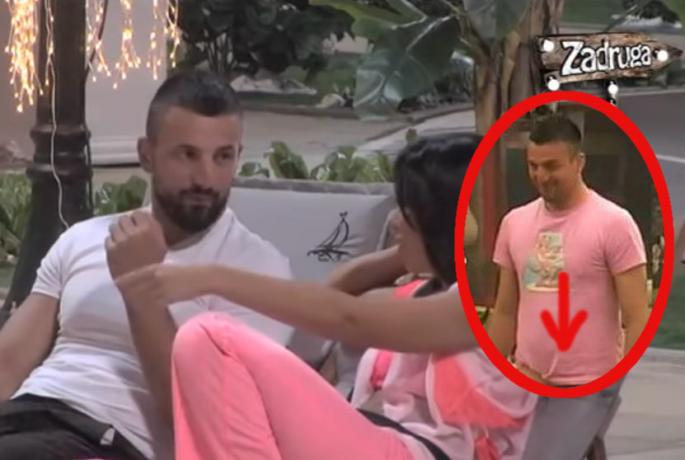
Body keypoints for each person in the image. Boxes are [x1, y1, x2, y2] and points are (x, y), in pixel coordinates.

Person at [114, 135, 538, 460]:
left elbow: (349, 319)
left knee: (211, 337)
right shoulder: (422, 297)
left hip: (419, 454)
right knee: (199, 348)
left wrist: (211, 278)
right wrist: (416, 250)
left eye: (408, 213)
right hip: (372, 437)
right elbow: (333, 296)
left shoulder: (487, 306)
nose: (394, 222)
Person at [0, 70, 295, 459]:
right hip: (26, 417)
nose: (205, 178)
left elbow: (205, 420)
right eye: (187, 154)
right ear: (146, 155)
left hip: (114, 442)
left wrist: (140, 287)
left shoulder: (257, 272)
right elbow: (9, 363)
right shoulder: (84, 238)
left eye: (223, 157)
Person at [487, 112, 649, 387]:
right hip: (526, 379)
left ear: (579, 163)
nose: (541, 176)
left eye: (552, 166)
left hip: (591, 384)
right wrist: (487, 376)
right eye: (533, 166)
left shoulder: (614, 223)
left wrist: (617, 385)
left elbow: (636, 317)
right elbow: (505, 311)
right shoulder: (514, 223)